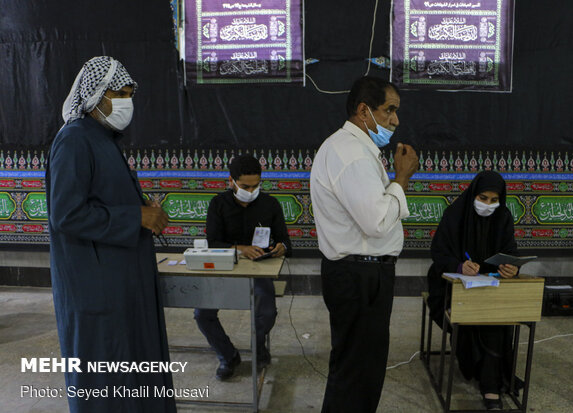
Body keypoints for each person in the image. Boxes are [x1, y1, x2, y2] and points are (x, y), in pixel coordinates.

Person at [46, 56, 176, 413]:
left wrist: (140, 207)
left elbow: (102, 198)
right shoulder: (74, 140)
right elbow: (66, 214)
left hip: (121, 282)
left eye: (130, 93)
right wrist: (135, 215)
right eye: (120, 92)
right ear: (97, 95)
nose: (126, 101)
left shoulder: (102, 138)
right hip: (97, 289)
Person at [310, 76, 419, 413]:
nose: (395, 121)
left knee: (358, 371)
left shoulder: (354, 150)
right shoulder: (351, 155)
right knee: (357, 374)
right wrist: (401, 178)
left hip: (362, 275)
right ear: (363, 111)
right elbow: (376, 222)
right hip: (359, 277)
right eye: (389, 111)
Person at [426, 170, 521, 410]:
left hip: (489, 286)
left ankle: (489, 385)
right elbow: (438, 253)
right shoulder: (455, 215)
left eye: (493, 200)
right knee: (472, 315)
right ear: (473, 195)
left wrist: (512, 269)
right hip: (452, 286)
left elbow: (510, 253)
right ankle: (485, 379)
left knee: (497, 318)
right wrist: (459, 265)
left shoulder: (504, 218)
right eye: (483, 198)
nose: (488, 205)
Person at [194, 155, 292, 380]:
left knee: (266, 313)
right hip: (224, 271)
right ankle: (228, 356)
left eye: (256, 185)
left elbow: (286, 241)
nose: (251, 190)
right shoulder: (218, 204)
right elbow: (213, 243)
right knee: (202, 314)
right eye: (245, 186)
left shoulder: (270, 204)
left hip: (258, 271)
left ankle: (257, 348)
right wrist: (240, 249)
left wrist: (281, 248)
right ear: (231, 181)